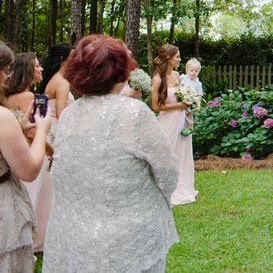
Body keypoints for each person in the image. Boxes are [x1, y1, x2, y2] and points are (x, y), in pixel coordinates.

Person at [43, 35, 179, 272]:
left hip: (76, 230)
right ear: (120, 71)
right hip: (129, 233)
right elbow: (168, 171)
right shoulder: (134, 112)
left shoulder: (69, 114)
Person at [0, 41, 51, 272]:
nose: (6, 77)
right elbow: (29, 171)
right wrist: (41, 130)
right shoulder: (2, 117)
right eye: (4, 70)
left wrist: (19, 129)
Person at [27, 43, 74, 251]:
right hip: (56, 134)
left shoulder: (51, 80)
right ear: (64, 60)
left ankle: (40, 233)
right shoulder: (62, 82)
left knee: (46, 187)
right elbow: (63, 115)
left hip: (47, 131)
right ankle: (45, 238)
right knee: (52, 188)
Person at [152, 44, 198, 205]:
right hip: (168, 122)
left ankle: (185, 186)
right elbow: (156, 106)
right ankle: (169, 189)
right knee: (169, 154)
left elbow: (182, 96)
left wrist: (189, 105)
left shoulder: (178, 76)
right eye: (177, 56)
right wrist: (179, 106)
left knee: (183, 154)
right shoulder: (158, 79)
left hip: (182, 120)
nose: (180, 59)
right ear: (168, 58)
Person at [179, 58, 203, 136]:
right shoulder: (183, 78)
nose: (193, 73)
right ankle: (180, 127)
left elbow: (199, 94)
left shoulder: (197, 83)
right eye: (191, 70)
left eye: (196, 71)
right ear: (187, 70)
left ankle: (189, 128)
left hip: (191, 101)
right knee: (181, 114)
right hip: (181, 99)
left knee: (189, 114)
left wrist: (197, 104)